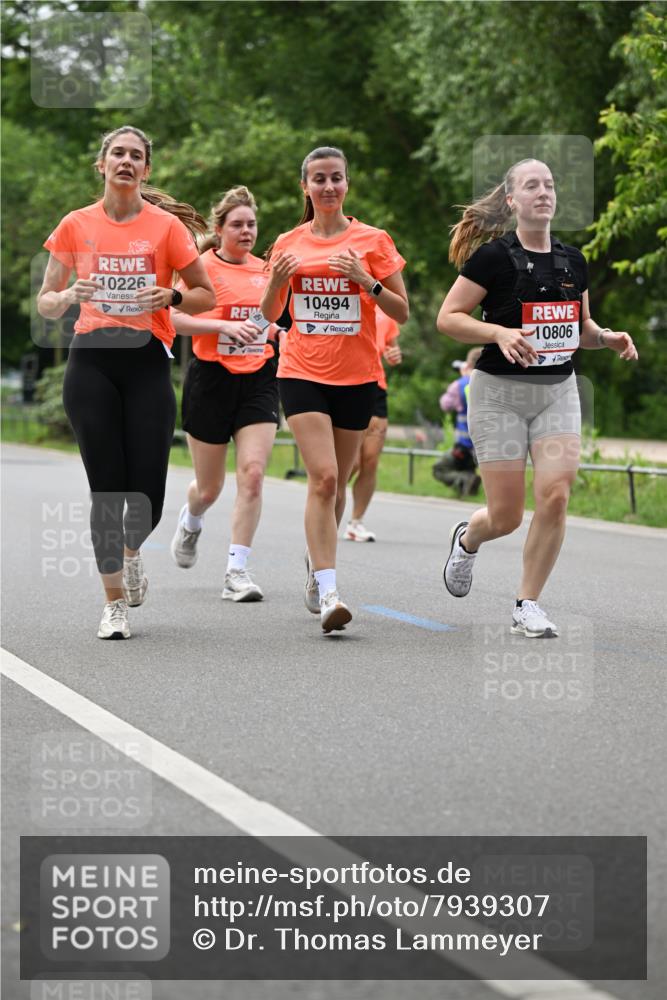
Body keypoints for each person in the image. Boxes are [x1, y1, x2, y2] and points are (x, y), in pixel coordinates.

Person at [437, 158, 637, 637]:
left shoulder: (574, 260)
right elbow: (449, 317)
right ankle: (468, 540)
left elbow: (580, 329)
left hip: (557, 391)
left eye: (549, 185)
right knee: (505, 516)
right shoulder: (493, 258)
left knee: (556, 495)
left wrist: (605, 337)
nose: (543, 192)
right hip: (499, 393)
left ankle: (527, 604)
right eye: (532, 186)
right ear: (513, 200)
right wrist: (498, 332)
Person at [37, 125, 215, 640]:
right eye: (117, 153)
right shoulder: (75, 224)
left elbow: (204, 294)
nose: (126, 161)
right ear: (102, 164)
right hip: (91, 360)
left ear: (146, 169)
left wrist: (172, 298)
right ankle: (113, 603)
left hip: (147, 363)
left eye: (136, 155)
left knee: (148, 496)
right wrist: (70, 295)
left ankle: (133, 551)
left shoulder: (164, 228)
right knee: (106, 492)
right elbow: (46, 301)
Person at [260, 146, 409, 632]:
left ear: (347, 185)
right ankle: (329, 592)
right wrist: (278, 282)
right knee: (323, 478)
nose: (328, 187)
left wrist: (366, 280)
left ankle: (316, 563)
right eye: (318, 179)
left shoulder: (373, 240)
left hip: (357, 376)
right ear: (305, 186)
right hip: (301, 372)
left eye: (336, 178)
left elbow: (402, 311)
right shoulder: (287, 242)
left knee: (338, 484)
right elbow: (268, 313)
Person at [169, 186, 280, 602]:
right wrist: (221, 328)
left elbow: (270, 318)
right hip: (211, 379)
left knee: (252, 475)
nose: (246, 230)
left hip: (258, 379)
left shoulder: (266, 269)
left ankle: (237, 571)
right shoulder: (201, 266)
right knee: (209, 488)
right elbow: (174, 318)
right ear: (220, 229)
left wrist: (277, 331)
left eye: (252, 224)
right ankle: (192, 519)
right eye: (238, 224)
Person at [344, 307, 402, 542]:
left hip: (375, 384)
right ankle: (324, 502)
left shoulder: (386, 310)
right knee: (352, 462)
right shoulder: (346, 297)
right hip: (344, 380)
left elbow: (391, 347)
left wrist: (393, 355)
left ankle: (355, 523)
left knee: (370, 460)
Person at [433, 347, 482, 496]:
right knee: (469, 468)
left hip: (465, 445)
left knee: (439, 469)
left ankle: (465, 479)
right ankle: (469, 490)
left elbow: (445, 405)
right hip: (485, 446)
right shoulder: (493, 382)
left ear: (468, 365)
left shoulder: (460, 385)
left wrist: (463, 377)